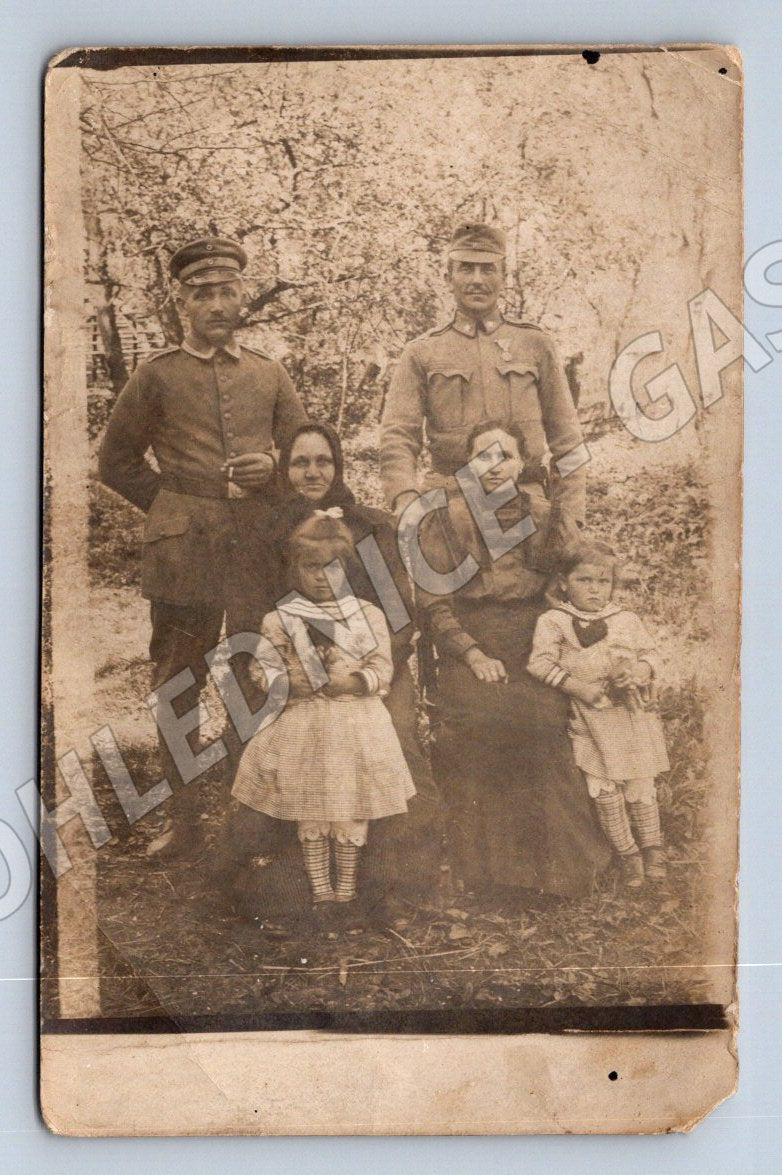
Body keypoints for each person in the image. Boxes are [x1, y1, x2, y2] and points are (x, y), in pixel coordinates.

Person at [98, 236, 307, 858]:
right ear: (181, 302)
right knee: (178, 684)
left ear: (243, 297)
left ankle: (254, 821)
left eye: (227, 292)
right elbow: (115, 462)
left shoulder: (269, 372)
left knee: (255, 676)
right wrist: (172, 508)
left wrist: (273, 468)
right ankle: (184, 822)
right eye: (202, 294)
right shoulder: (156, 374)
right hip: (183, 554)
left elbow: (307, 455)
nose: (217, 304)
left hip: (254, 550)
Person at [214, 423, 442, 920]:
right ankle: (285, 880)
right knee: (267, 746)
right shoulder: (263, 529)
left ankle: (390, 881)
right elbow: (249, 622)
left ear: (338, 466)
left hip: (367, 668)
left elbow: (396, 619)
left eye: (323, 461)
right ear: (284, 468)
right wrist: (284, 677)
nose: (312, 472)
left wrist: (359, 676)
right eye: (300, 462)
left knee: (397, 738)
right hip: (285, 667)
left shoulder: (369, 526)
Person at [419, 421, 610, 901]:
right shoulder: (446, 519)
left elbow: (578, 579)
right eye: (481, 455)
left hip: (535, 639)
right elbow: (434, 603)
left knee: (544, 721)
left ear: (522, 463)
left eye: (504, 455)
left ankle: (558, 875)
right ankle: (488, 875)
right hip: (471, 641)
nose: (493, 465)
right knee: (480, 718)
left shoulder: (544, 515)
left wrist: (570, 636)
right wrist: (471, 652)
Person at [231, 513, 415, 925]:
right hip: (304, 724)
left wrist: (354, 682)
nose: (320, 577)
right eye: (310, 567)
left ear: (346, 568)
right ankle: (320, 893)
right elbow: (261, 669)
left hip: (355, 722)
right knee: (310, 806)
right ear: (295, 569)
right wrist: (287, 682)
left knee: (351, 806)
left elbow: (382, 666)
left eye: (331, 567)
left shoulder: (367, 614)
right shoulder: (280, 618)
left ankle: (347, 893)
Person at [380, 221, 585, 558]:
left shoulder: (535, 344)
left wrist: (570, 515)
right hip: (449, 499)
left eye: (488, 269)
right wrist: (404, 497)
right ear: (448, 277)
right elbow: (398, 435)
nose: (477, 279)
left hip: (525, 500)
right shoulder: (422, 352)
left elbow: (568, 439)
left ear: (504, 277)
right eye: (466, 268)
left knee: (528, 589)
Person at [527, 541, 670, 889]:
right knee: (605, 787)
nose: (595, 589)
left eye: (603, 581)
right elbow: (539, 663)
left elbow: (652, 654)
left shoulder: (625, 619)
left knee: (640, 781)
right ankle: (628, 854)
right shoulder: (554, 621)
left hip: (630, 716)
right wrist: (579, 687)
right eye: (584, 580)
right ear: (564, 583)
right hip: (592, 718)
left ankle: (652, 848)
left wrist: (640, 670)